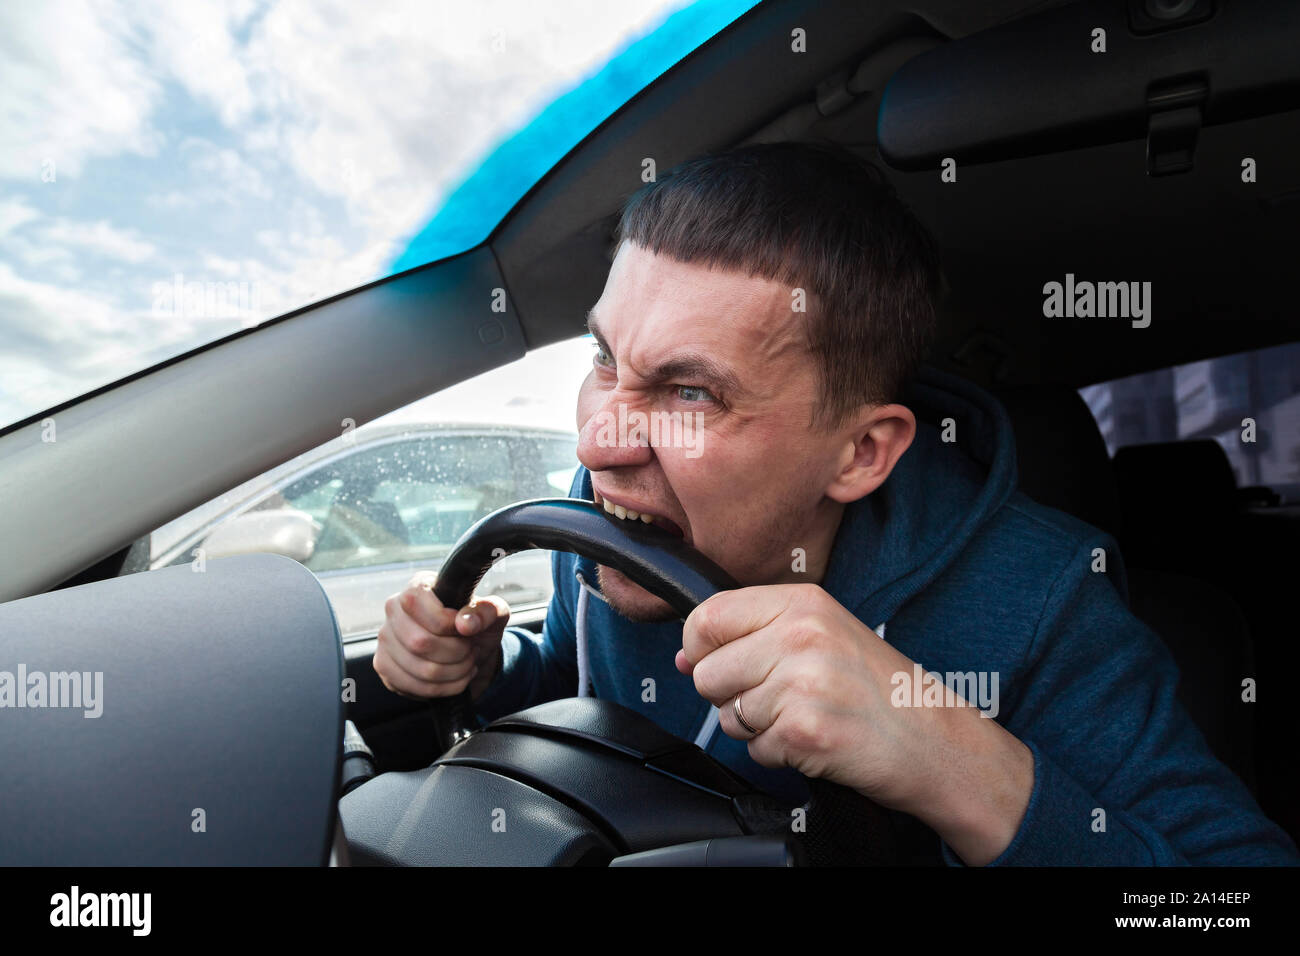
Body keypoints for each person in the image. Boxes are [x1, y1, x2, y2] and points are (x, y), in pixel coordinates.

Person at [374, 142, 1299, 866]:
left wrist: (944, 754)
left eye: (691, 394)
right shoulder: (613, 508)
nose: (597, 447)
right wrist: (486, 670)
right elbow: (584, 705)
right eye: (606, 361)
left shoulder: (1046, 599)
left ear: (861, 453)